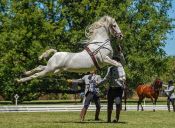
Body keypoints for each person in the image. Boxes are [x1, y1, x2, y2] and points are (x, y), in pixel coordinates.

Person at [98, 46, 126, 123]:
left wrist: (120, 52)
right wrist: (98, 84)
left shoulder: (121, 66)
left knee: (117, 104)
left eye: (115, 60)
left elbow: (123, 60)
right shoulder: (109, 69)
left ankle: (116, 119)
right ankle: (109, 120)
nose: (114, 62)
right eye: (113, 60)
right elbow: (106, 79)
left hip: (118, 89)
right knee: (109, 105)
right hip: (111, 89)